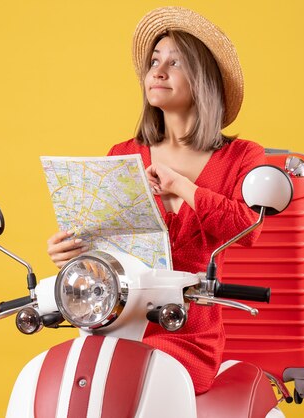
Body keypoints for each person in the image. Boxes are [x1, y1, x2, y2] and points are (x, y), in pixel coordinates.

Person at [46, 7, 266, 395]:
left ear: (204, 79)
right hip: (116, 321)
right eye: (154, 61)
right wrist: (72, 253)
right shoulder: (123, 154)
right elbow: (106, 247)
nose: (157, 72)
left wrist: (183, 187)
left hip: (186, 331)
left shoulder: (242, 157)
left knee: (134, 379)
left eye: (175, 62)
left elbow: (248, 230)